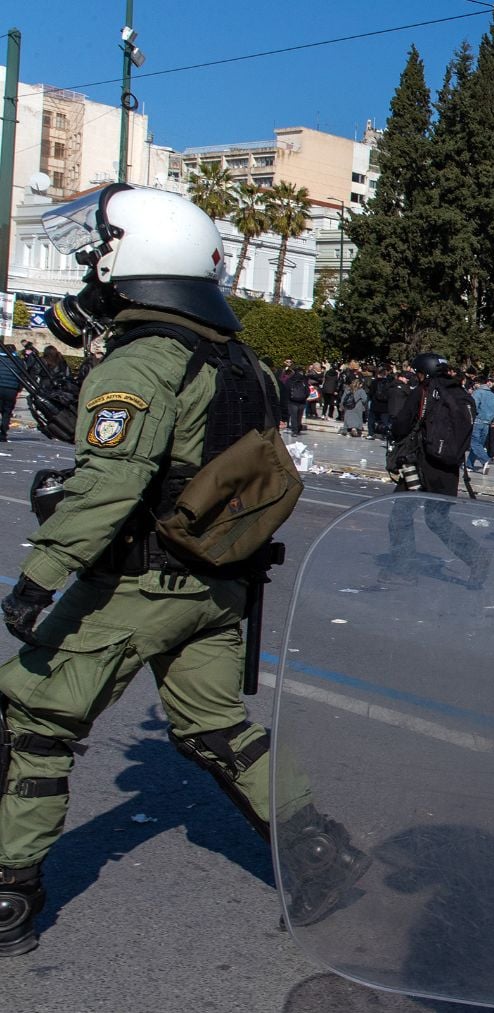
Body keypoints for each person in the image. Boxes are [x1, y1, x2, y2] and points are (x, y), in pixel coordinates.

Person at [0, 185, 364, 954]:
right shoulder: (244, 363)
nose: (96, 265)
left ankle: (9, 893)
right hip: (215, 584)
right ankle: (322, 852)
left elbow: (112, 485)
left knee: (34, 719)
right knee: (216, 727)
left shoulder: (144, 362)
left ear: (136, 256)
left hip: (136, 583)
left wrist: (41, 575)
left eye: (104, 250)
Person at [384, 352, 488, 586]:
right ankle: (477, 557)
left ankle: (403, 570)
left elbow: (401, 425)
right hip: (448, 468)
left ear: (424, 372)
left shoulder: (424, 391)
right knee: (437, 520)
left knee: (400, 516)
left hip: (420, 465)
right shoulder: (460, 393)